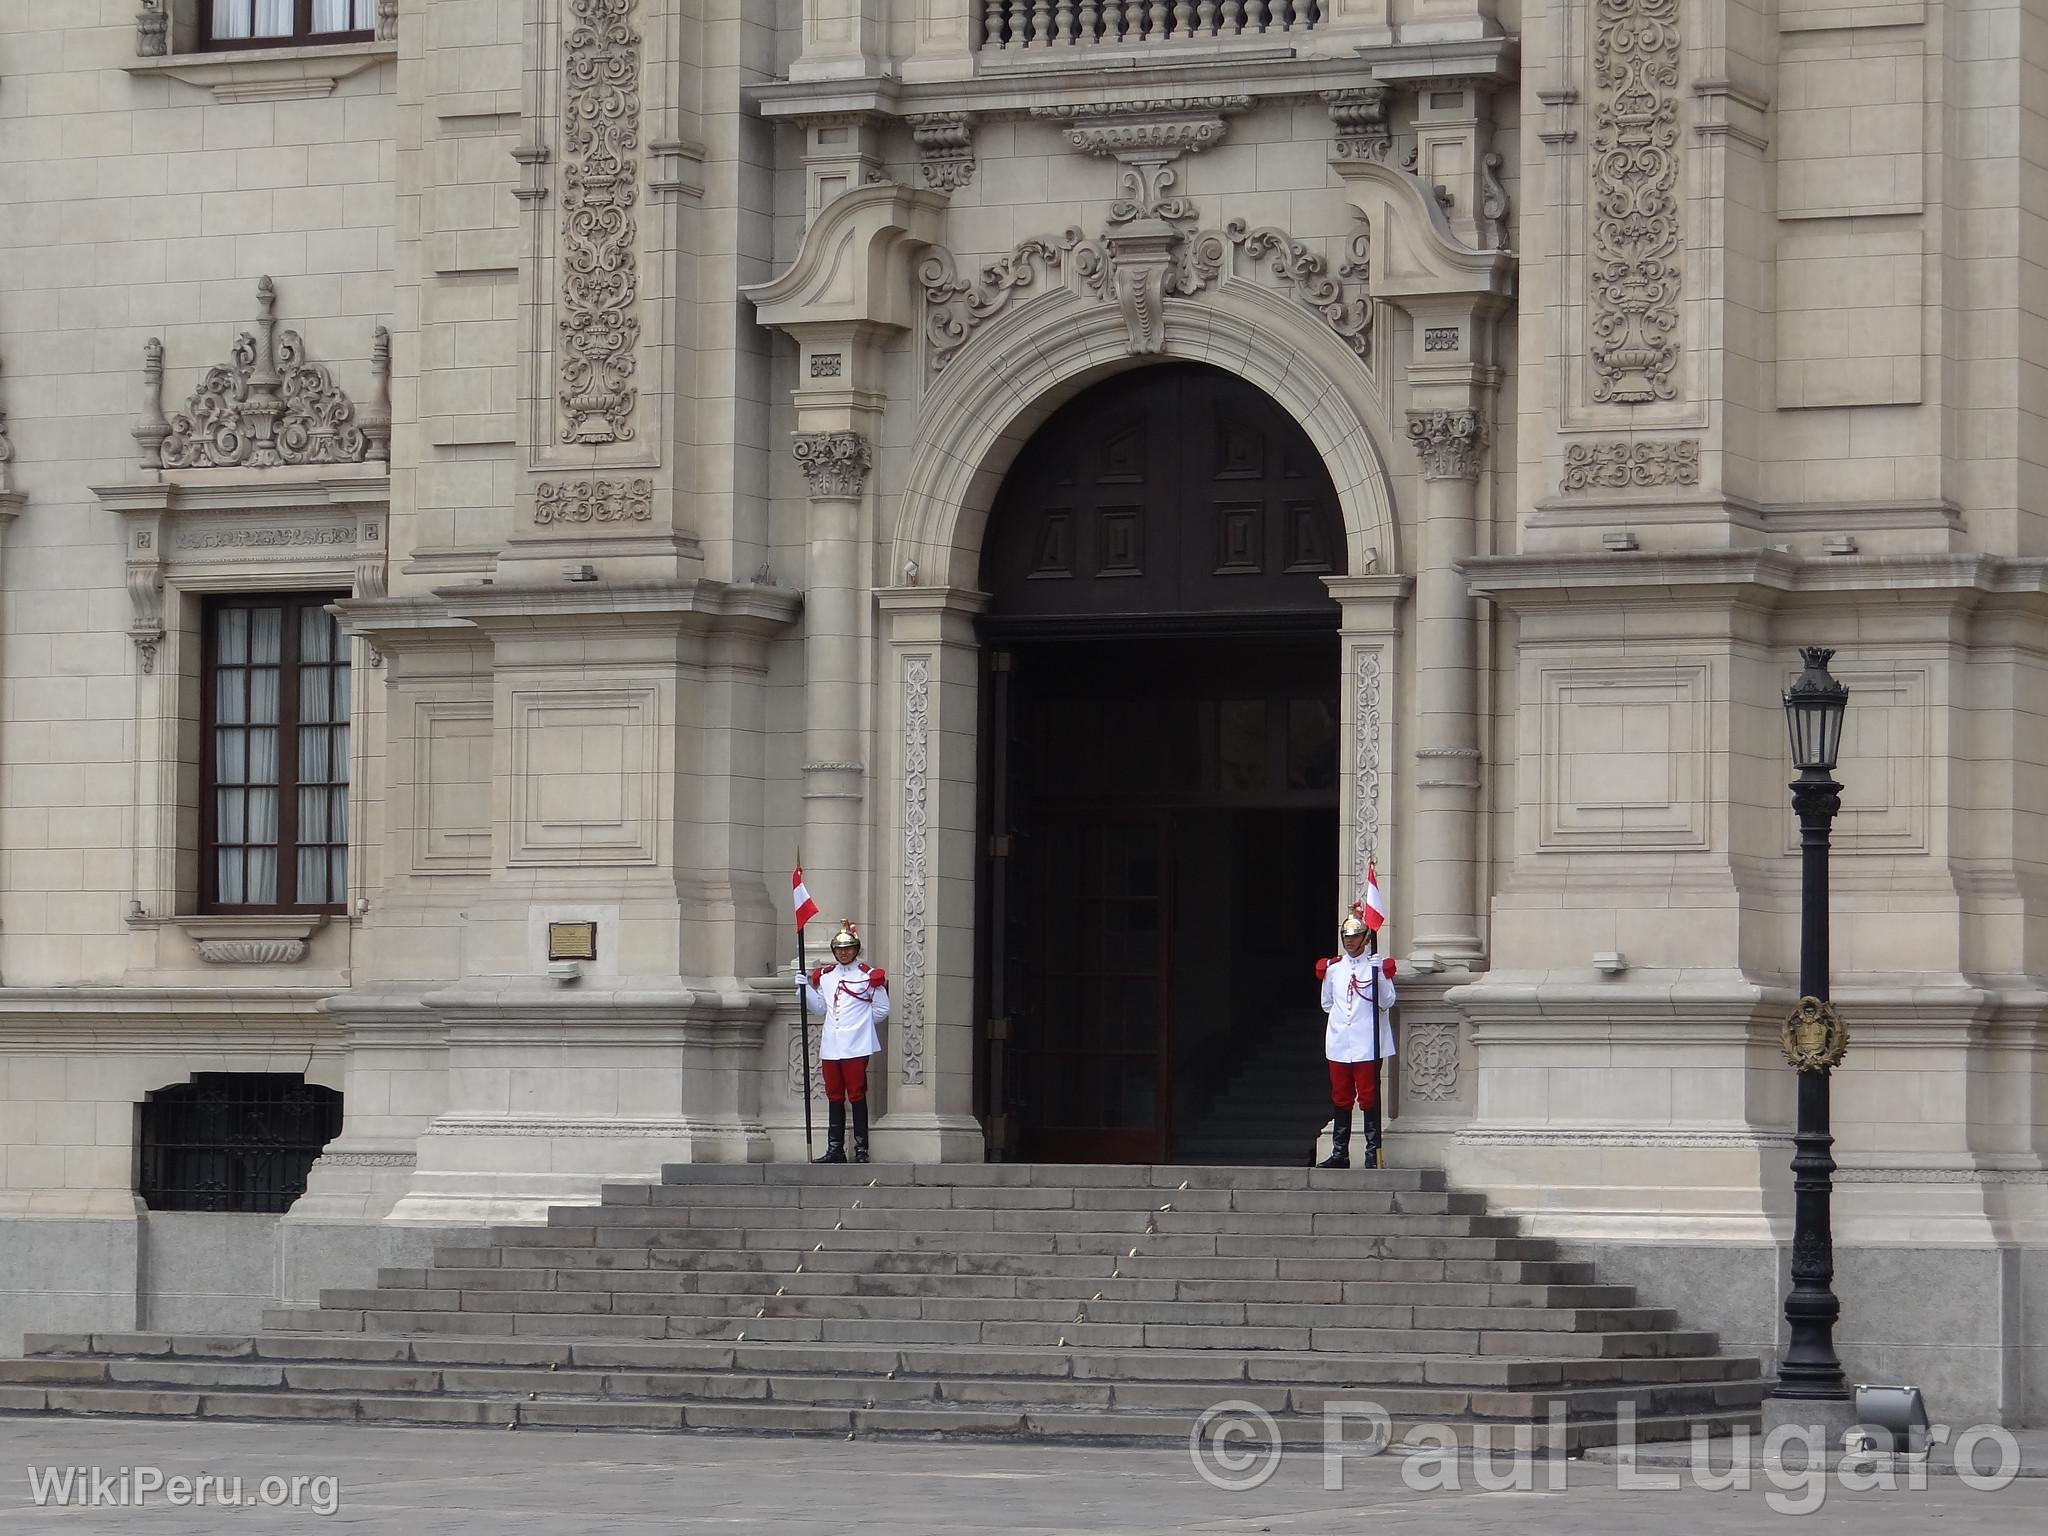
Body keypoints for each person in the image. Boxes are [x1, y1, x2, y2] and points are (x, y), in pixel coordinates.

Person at [797, 919, 889, 1163]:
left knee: (856, 1093)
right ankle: (835, 1149)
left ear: (856, 949)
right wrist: (805, 989)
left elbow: (882, 1010)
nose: (844, 953)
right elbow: (820, 1009)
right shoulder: (826, 977)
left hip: (856, 1044)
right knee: (834, 1094)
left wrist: (859, 1027)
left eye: (848, 948)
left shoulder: (869, 976)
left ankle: (861, 1149)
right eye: (839, 949)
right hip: (832, 1044)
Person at [1315, 901, 1397, 1168]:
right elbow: (1327, 1004)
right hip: (1340, 1042)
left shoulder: (1376, 967)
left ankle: (1372, 1153)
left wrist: (1381, 976)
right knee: (1341, 1096)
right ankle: (1340, 1153)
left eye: (1354, 937)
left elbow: (1387, 1002)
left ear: (1366, 938)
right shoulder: (1333, 969)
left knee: (1369, 1096)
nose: (1349, 942)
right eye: (1346, 937)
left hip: (1366, 1043)